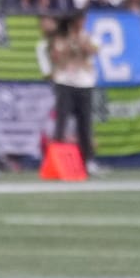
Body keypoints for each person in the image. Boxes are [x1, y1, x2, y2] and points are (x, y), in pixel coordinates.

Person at [38, 11, 99, 174]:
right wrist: (68, 44)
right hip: (65, 82)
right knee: (61, 123)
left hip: (85, 84)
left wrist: (78, 42)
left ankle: (87, 161)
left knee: (84, 125)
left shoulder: (88, 36)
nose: (79, 24)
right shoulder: (61, 37)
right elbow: (56, 56)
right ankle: (55, 161)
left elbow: (94, 50)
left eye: (81, 20)